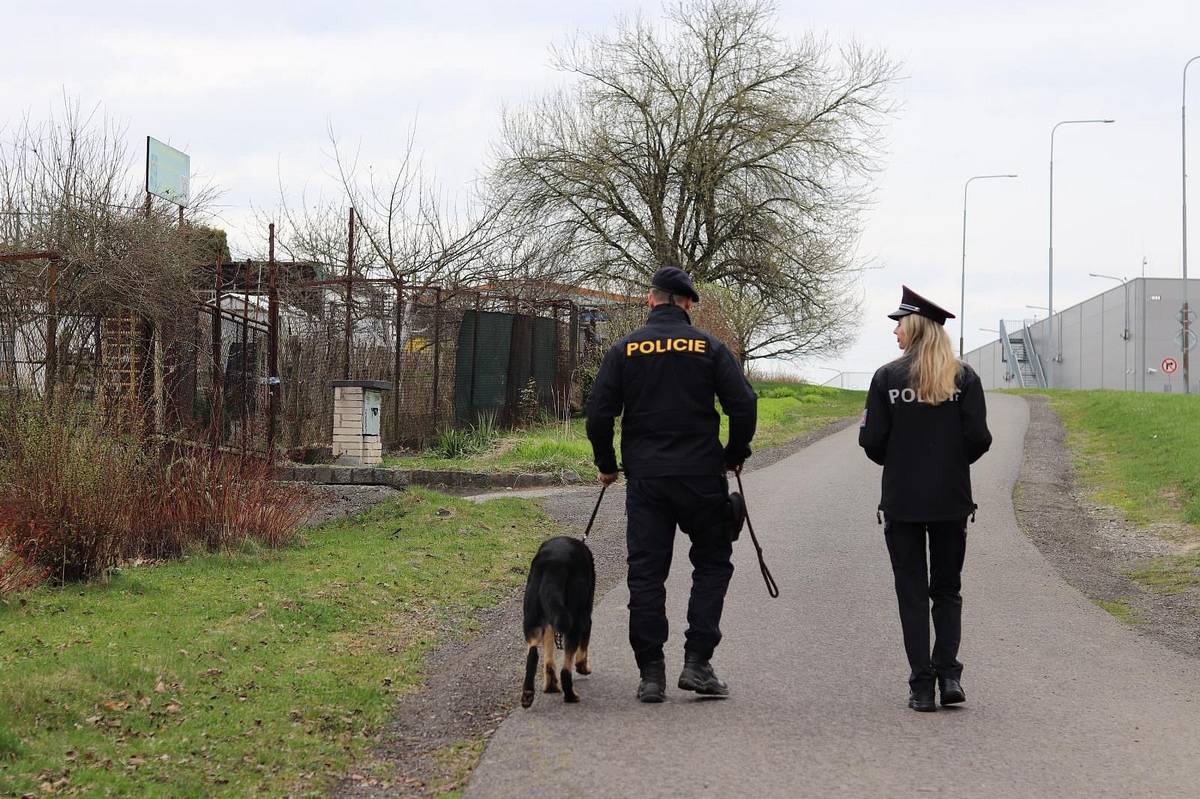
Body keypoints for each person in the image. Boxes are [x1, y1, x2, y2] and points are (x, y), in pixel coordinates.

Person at [586, 266, 758, 703]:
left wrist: (607, 464)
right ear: (686, 303)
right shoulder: (709, 347)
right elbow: (744, 404)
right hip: (701, 475)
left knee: (646, 573)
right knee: (713, 563)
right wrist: (734, 454)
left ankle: (651, 674)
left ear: (650, 300)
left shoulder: (624, 350)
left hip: (647, 480)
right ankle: (698, 663)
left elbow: (599, 413)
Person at [858, 286, 992, 712]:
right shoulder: (964, 378)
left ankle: (921, 686)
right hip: (952, 500)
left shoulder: (886, 379)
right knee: (947, 590)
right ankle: (949, 675)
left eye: (899, 323)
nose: (895, 331)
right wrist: (951, 462)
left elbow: (872, 441)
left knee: (911, 594)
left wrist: (900, 460)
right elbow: (980, 439)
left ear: (914, 326)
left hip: (902, 501)